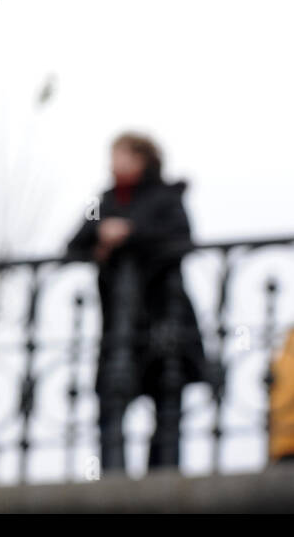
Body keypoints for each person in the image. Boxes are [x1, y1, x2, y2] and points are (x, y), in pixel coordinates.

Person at [67, 132, 210, 473]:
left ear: (142, 159)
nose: (113, 164)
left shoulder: (166, 197)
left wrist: (130, 232)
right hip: (117, 321)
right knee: (112, 401)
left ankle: (162, 478)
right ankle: (113, 481)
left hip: (164, 316)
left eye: (121, 156)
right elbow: (72, 246)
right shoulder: (103, 202)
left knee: (166, 400)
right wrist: (101, 235)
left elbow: (182, 238)